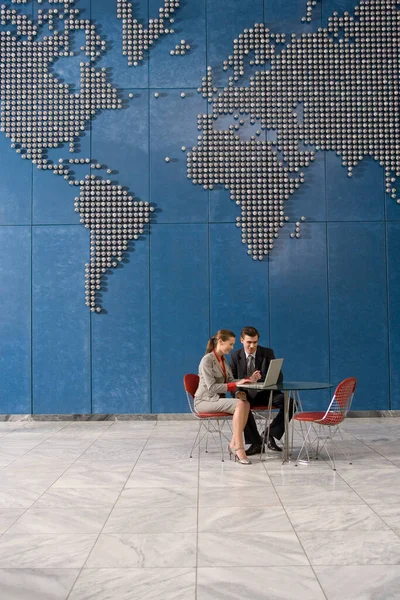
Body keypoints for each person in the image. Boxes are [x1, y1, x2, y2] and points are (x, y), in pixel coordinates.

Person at [195, 329, 261, 465]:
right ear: (220, 342)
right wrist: (236, 384)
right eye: (230, 344)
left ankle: (232, 444)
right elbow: (212, 387)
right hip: (204, 401)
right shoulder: (207, 360)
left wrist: (248, 380)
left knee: (245, 403)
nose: (232, 348)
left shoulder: (223, 360)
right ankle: (239, 447)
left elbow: (231, 380)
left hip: (217, 400)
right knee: (240, 404)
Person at [230, 326, 295, 456]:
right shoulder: (235, 356)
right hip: (246, 394)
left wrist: (260, 379)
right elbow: (231, 380)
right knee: (242, 405)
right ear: (242, 340)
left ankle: (269, 434)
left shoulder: (267, 353)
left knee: (291, 403)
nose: (252, 345)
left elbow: (279, 377)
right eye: (249, 342)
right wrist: (237, 392)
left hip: (266, 394)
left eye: (255, 342)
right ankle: (256, 444)